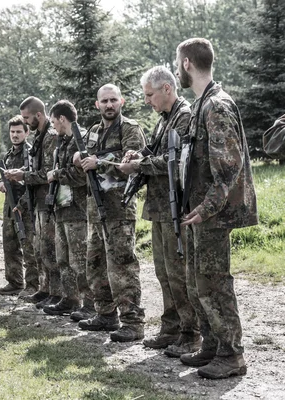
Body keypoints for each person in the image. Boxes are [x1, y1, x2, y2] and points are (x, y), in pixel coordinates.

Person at [175, 38, 257, 379]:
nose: (176, 66)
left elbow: (228, 167)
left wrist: (206, 208)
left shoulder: (216, 106)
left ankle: (232, 355)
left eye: (176, 61)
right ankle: (212, 345)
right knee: (199, 282)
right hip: (201, 212)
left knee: (215, 283)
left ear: (187, 64)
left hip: (214, 213)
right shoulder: (202, 104)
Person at [117, 66, 200, 355]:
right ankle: (171, 327)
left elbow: (176, 160)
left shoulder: (185, 116)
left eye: (150, 95)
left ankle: (191, 333)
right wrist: (138, 155)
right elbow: (156, 151)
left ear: (167, 88)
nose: (147, 101)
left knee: (179, 273)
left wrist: (139, 165)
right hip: (160, 207)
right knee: (164, 272)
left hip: (177, 208)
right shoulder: (164, 119)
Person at [75, 84, 147, 342]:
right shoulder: (93, 131)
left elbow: (133, 161)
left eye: (113, 100)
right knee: (95, 264)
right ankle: (105, 315)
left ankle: (133, 322)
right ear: (97, 104)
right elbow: (85, 158)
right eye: (104, 101)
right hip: (95, 208)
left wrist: (100, 162)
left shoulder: (130, 129)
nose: (109, 105)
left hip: (119, 207)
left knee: (122, 266)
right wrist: (79, 158)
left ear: (121, 102)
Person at [5, 96, 61, 308]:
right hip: (37, 202)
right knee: (41, 251)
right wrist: (23, 172)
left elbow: (47, 173)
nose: (25, 123)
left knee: (50, 252)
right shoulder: (40, 136)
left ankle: (57, 294)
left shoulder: (51, 137)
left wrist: (23, 176)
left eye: (27, 118)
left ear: (39, 115)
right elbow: (37, 170)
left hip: (49, 202)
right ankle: (46, 290)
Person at [43, 100, 95, 319]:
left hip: (78, 209)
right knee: (63, 258)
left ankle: (90, 304)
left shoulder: (80, 140)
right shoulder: (62, 142)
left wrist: (57, 174)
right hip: (61, 208)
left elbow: (82, 175)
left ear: (62, 119)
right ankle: (70, 298)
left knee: (80, 260)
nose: (53, 126)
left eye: (54, 121)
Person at [0, 116, 39, 297]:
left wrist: (22, 203)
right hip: (9, 208)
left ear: (26, 132)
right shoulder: (8, 155)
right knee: (10, 245)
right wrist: (0, 184)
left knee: (29, 247)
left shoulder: (31, 154)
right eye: (12, 132)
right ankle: (14, 282)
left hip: (26, 207)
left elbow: (34, 180)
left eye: (19, 131)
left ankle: (33, 286)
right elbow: (1, 176)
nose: (15, 135)